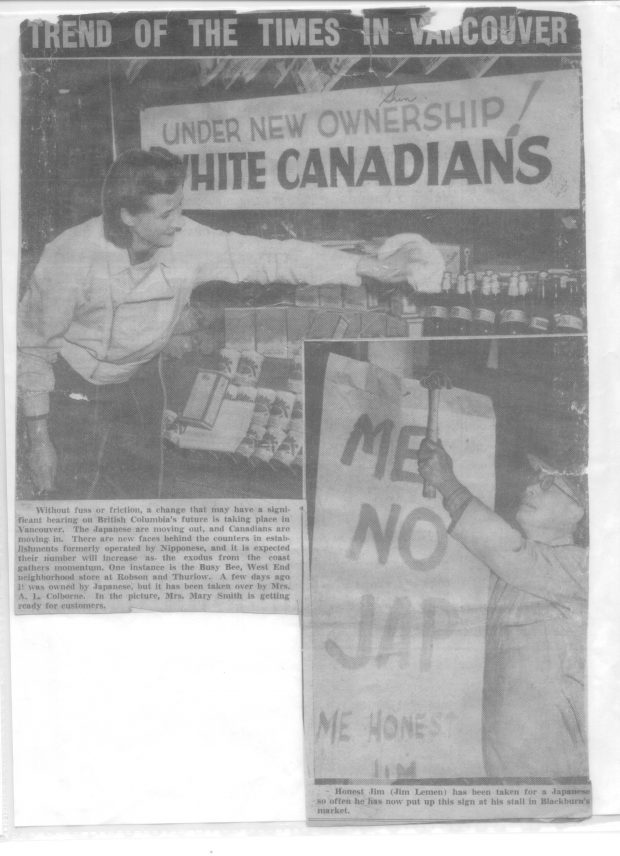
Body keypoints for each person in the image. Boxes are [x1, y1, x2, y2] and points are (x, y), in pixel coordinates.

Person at [19, 147, 442, 497]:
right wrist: (39, 438)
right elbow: (33, 349)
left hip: (138, 381)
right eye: (166, 214)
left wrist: (369, 267)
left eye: (179, 208)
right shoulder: (69, 256)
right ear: (128, 216)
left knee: (138, 493)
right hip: (70, 385)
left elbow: (273, 256)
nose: (178, 222)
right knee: (66, 494)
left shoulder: (188, 241)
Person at [418, 438, 588, 779]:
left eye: (547, 481)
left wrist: (449, 485)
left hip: (551, 770)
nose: (530, 486)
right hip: (504, 766)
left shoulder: (585, 567)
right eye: (534, 477)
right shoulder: (511, 572)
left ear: (578, 510)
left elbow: (512, 554)